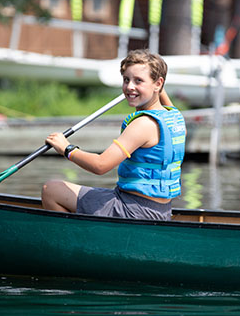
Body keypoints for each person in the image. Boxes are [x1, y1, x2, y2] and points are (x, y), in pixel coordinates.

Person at [42, 49, 186, 221]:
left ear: (158, 84)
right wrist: (147, 83)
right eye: (126, 80)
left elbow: (101, 165)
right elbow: (159, 90)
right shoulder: (174, 116)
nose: (130, 86)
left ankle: (73, 242)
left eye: (138, 81)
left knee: (51, 190)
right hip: (160, 211)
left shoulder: (143, 124)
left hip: (133, 210)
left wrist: (67, 148)